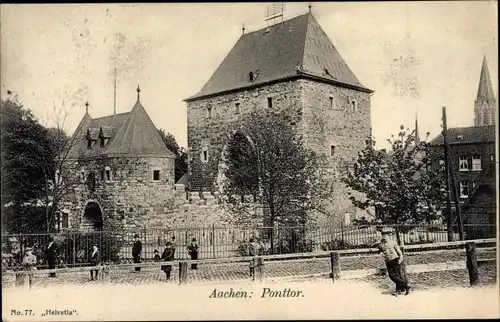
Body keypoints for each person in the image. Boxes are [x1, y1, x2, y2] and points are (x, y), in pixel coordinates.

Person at [377, 227, 410, 295]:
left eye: (386, 235)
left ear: (389, 236)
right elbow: (380, 251)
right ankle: (406, 286)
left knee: (397, 276)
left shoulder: (393, 243)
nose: (385, 237)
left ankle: (399, 290)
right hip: (388, 261)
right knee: (392, 276)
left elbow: (399, 252)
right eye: (383, 235)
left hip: (395, 260)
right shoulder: (381, 244)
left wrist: (400, 259)